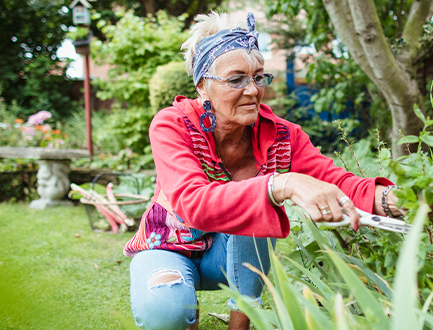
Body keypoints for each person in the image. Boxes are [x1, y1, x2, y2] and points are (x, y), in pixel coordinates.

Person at [124, 12, 404, 330]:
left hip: (228, 260)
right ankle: (184, 313)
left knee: (257, 212)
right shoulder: (173, 125)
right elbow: (194, 202)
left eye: (259, 77)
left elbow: (337, 181)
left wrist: (395, 198)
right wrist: (280, 183)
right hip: (166, 246)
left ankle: (241, 324)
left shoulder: (282, 136)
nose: (253, 90)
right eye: (236, 79)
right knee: (166, 311)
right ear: (202, 85)